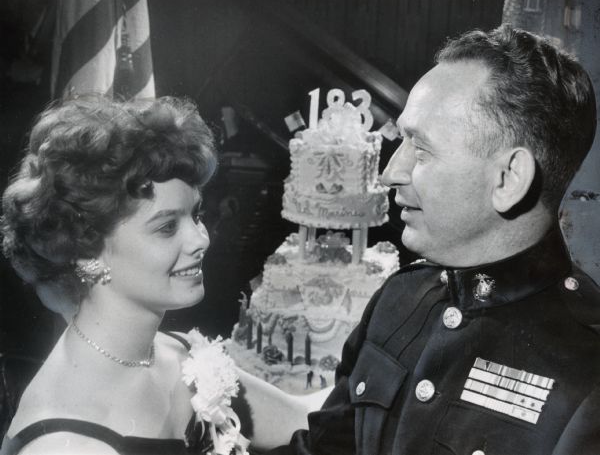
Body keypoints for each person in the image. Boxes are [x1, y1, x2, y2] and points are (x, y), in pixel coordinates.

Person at [263, 25, 600, 455]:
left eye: (420, 150)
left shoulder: (588, 373)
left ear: (508, 179)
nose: (390, 173)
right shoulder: (399, 299)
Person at [0, 95, 233, 455]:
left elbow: (314, 416)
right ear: (86, 247)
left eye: (196, 216)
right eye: (168, 227)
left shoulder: (181, 354)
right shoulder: (64, 447)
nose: (201, 239)